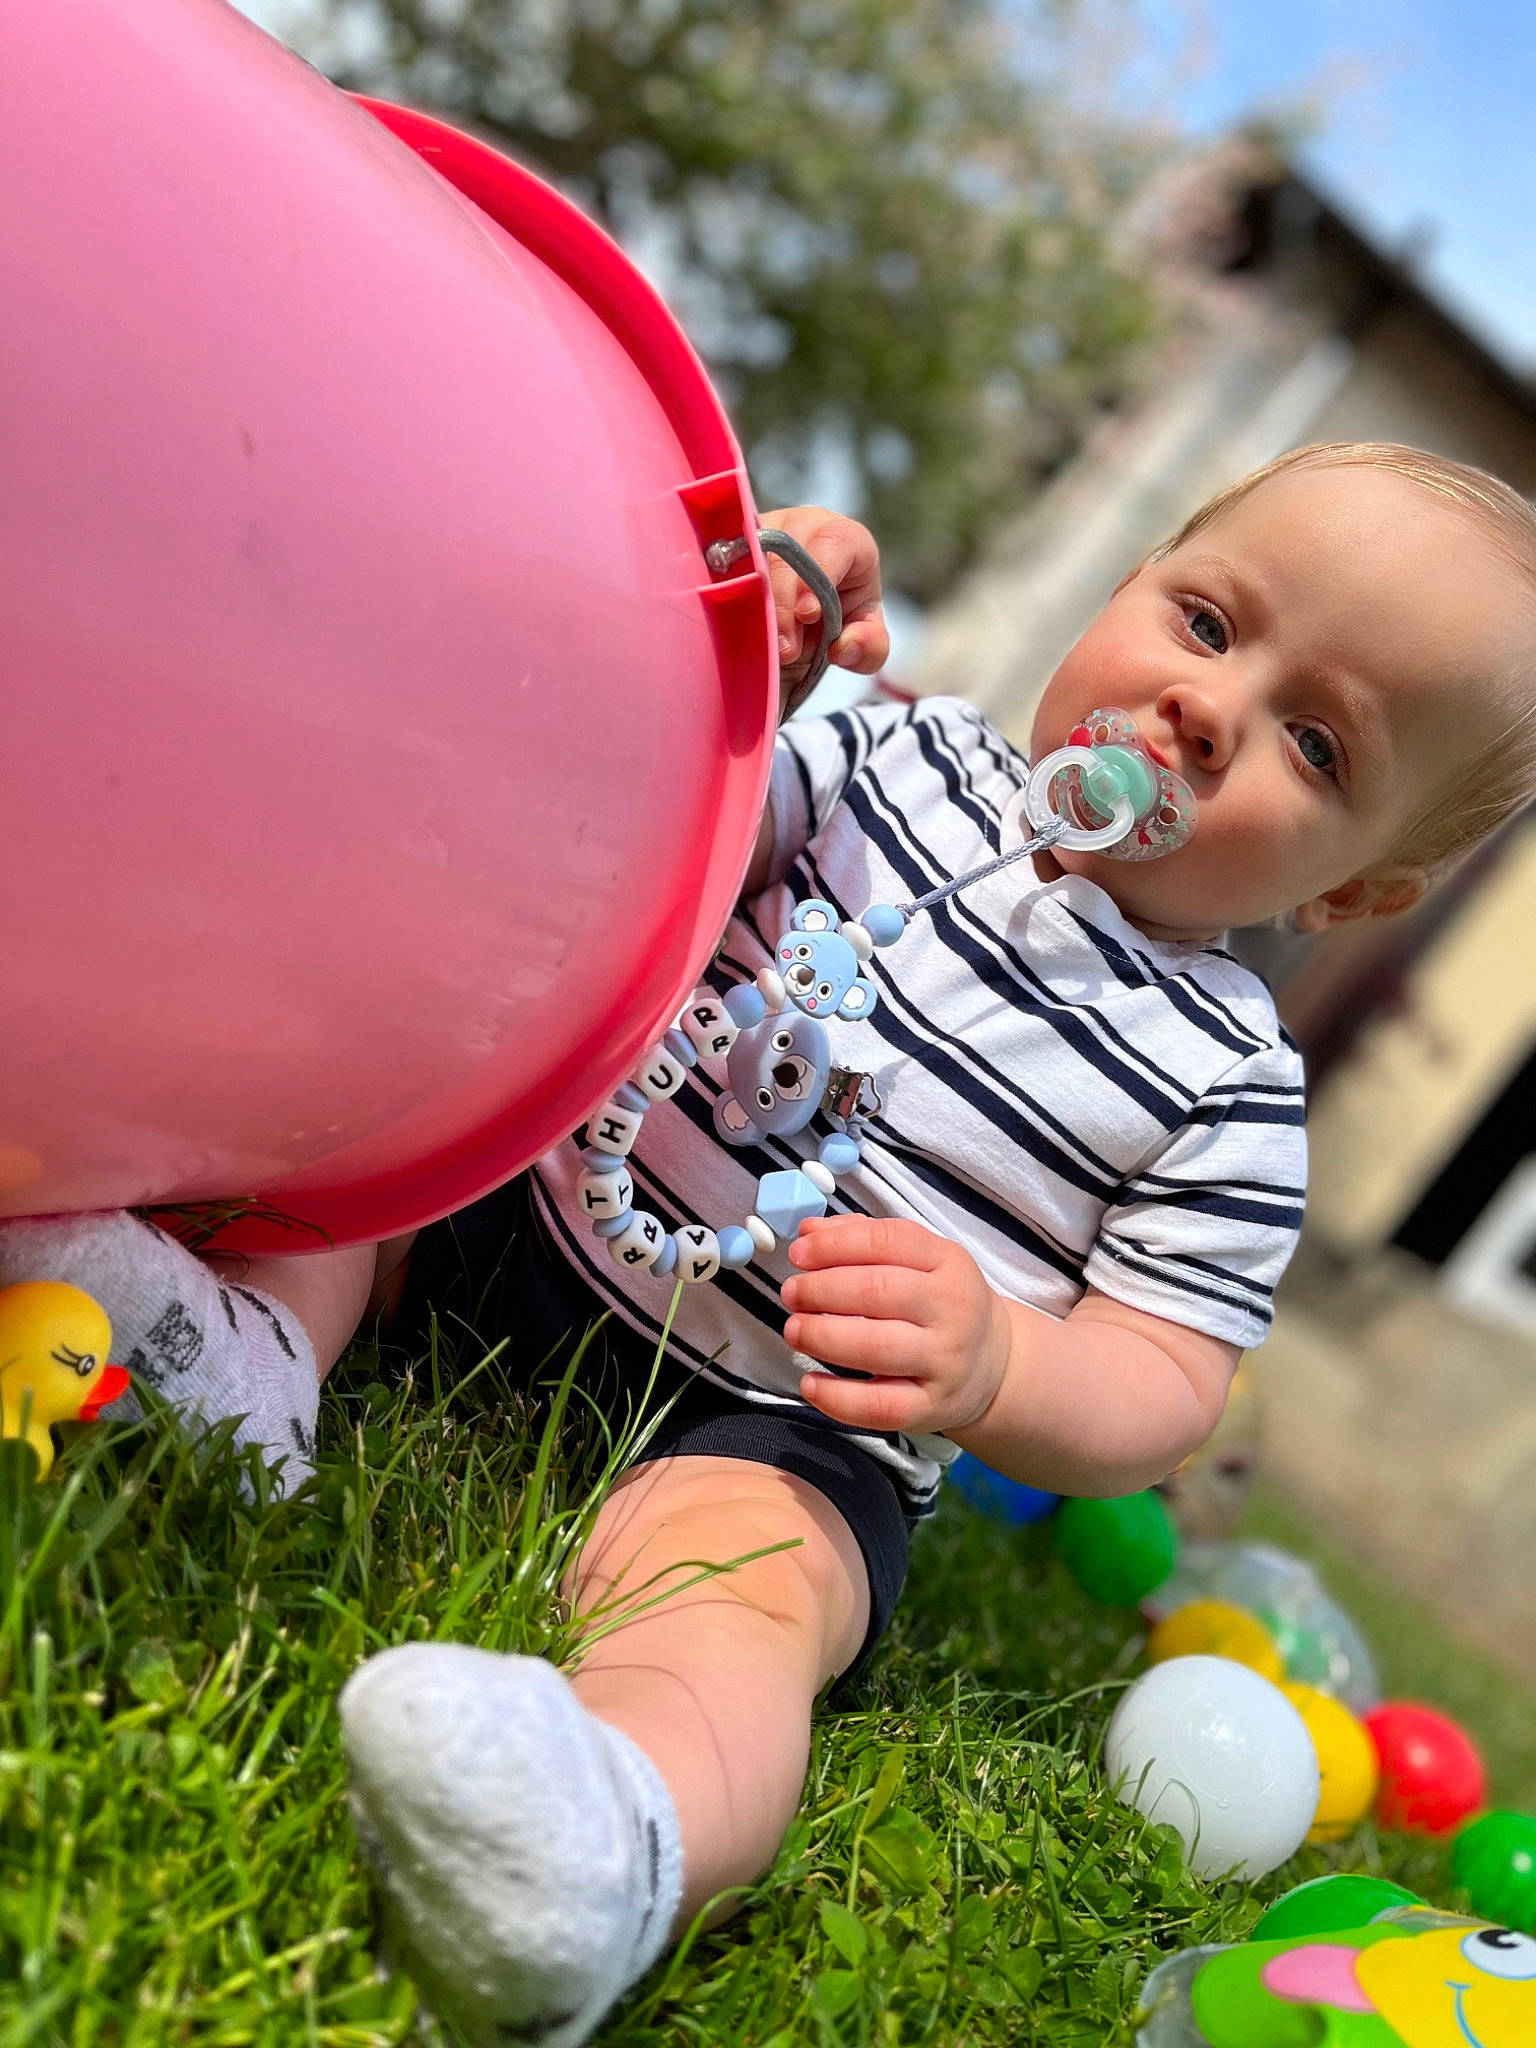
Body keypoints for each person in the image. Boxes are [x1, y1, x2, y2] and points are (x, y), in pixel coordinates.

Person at [6, 443, 1536, 2047]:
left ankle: (610, 1833)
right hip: (535, 1206)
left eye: (1313, 740)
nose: (1205, 711)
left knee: (739, 1594)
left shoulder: (1223, 1082)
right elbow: (672, 821)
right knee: (367, 1167)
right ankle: (237, 1362)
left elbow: (1167, 1376)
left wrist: (1009, 1364)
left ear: (1365, 893)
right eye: (1208, 624)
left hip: (781, 1427)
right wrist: (751, 647)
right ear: (1122, 589)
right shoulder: (898, 760)